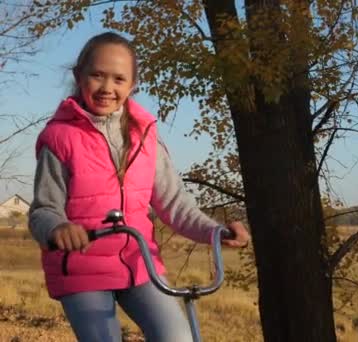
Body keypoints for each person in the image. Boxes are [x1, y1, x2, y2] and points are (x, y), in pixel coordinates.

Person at [28, 31, 250, 342]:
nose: (107, 88)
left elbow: (177, 206)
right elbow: (43, 210)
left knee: (178, 338)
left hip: (139, 263)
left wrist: (216, 232)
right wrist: (58, 228)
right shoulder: (59, 138)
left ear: (132, 85)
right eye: (97, 76)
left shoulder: (145, 136)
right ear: (79, 76)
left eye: (119, 79)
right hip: (81, 269)